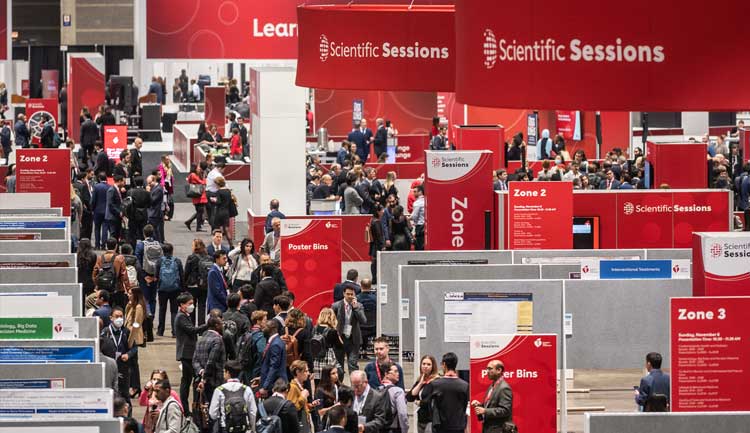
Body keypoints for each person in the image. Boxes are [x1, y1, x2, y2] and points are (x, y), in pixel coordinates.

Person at [174, 292, 208, 413]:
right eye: (190, 303)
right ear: (182, 305)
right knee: (189, 380)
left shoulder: (185, 315)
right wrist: (207, 325)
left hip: (188, 352)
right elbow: (192, 330)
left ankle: (190, 407)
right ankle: (188, 408)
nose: (192, 306)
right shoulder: (181, 317)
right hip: (186, 353)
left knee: (187, 380)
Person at [100, 307, 138, 405]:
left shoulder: (126, 332)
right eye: (117, 316)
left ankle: (127, 417)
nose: (119, 319)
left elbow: (134, 348)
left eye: (121, 316)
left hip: (123, 367)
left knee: (125, 394)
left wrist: (128, 355)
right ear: (111, 318)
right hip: (110, 367)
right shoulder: (105, 333)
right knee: (111, 392)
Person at [425, 352, 469, 433]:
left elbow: (426, 401)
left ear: (444, 364)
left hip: (440, 427)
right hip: (458, 427)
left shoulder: (435, 384)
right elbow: (465, 405)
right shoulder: (465, 385)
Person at [209, 360, 257, 433]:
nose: (223, 374)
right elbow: (253, 412)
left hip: (226, 428)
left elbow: (212, 414)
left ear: (228, 372)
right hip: (243, 428)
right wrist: (253, 429)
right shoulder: (247, 389)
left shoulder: (219, 390)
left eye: (224, 371)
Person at [332, 286, 367, 375]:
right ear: (344, 294)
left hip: (353, 339)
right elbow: (332, 322)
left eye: (352, 294)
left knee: (353, 364)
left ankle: (354, 386)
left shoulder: (359, 306)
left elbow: (363, 320)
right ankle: (340, 386)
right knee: (339, 365)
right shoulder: (336, 306)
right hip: (340, 338)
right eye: (348, 294)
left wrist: (355, 308)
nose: (350, 296)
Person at [471, 360, 513, 433]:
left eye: (490, 369)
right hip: (489, 429)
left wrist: (485, 411)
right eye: (487, 369)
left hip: (498, 430)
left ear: (499, 370)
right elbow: (490, 405)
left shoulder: (504, 388)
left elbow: (505, 410)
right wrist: (479, 405)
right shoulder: (492, 386)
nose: (487, 371)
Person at [193, 316, 226, 403]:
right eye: (221, 324)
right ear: (216, 325)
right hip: (215, 380)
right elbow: (211, 361)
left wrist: (201, 371)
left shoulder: (201, 339)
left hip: (202, 379)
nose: (223, 326)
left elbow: (195, 360)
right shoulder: (217, 340)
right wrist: (205, 376)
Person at [155, 243, 184, 337]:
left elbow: (156, 275)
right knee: (174, 310)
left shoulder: (159, 261)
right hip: (175, 289)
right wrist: (183, 289)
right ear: (172, 251)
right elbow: (181, 275)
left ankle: (160, 331)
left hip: (162, 289)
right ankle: (175, 331)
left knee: (162, 309)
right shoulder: (177, 261)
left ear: (163, 251)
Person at [93, 237, 130, 309]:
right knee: (118, 309)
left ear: (106, 246)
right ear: (116, 246)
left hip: (103, 289)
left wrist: (97, 285)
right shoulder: (119, 258)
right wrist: (128, 289)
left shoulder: (100, 258)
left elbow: (95, 273)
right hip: (117, 289)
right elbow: (124, 275)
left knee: (104, 310)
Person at [406, 355, 439, 433]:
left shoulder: (436, 381)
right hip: (421, 419)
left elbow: (429, 401)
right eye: (423, 364)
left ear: (433, 366)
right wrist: (420, 384)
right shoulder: (421, 379)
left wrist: (419, 402)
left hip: (431, 420)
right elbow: (409, 397)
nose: (425, 366)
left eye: (428, 364)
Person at [125, 286, 147, 396]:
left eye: (130, 293)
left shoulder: (138, 307)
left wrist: (130, 339)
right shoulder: (132, 305)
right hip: (130, 335)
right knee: (132, 364)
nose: (128, 295)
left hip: (133, 337)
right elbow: (127, 317)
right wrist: (129, 304)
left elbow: (136, 324)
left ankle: (135, 387)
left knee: (133, 365)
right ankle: (135, 386)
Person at [184, 239, 212, 325]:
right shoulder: (208, 258)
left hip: (193, 286)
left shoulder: (191, 257)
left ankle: (192, 326)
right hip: (204, 285)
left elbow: (186, 272)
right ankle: (201, 327)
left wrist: (184, 285)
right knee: (202, 306)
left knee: (192, 306)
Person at [288, 360, 320, 433]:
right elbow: (291, 409)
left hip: (304, 422)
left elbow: (301, 407)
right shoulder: (293, 387)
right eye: (305, 371)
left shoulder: (300, 386)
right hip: (299, 425)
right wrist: (303, 397)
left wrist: (311, 405)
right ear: (297, 372)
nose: (308, 373)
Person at [259, 319, 288, 398]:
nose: (263, 329)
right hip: (273, 382)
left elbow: (274, 367)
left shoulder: (275, 344)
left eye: (265, 327)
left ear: (272, 329)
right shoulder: (275, 341)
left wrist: (265, 386)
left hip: (275, 384)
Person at [378, 361, 409, 433]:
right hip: (394, 428)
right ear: (386, 374)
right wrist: (405, 430)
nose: (398, 374)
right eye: (395, 371)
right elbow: (402, 414)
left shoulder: (376, 390)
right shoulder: (398, 391)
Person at [212, 176, 235, 247]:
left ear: (218, 184)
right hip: (226, 212)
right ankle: (231, 244)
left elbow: (218, 202)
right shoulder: (228, 191)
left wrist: (214, 200)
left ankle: (217, 244)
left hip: (219, 212)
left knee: (217, 229)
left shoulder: (219, 192)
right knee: (226, 229)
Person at [357, 279, 377, 358]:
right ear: (370, 286)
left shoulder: (357, 298)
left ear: (361, 286)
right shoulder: (375, 298)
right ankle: (364, 349)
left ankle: (359, 350)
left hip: (360, 326)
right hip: (374, 326)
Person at [184, 163, 207, 232]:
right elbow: (202, 182)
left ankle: (192, 223)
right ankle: (196, 225)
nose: (199, 169)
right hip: (198, 195)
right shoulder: (193, 175)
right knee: (200, 211)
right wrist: (205, 179)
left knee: (199, 211)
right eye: (198, 168)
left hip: (196, 196)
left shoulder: (191, 175)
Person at [104, 175, 125, 242]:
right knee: (113, 234)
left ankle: (116, 249)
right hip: (112, 216)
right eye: (123, 181)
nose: (124, 183)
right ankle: (112, 249)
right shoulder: (111, 190)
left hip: (116, 216)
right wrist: (119, 212)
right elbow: (111, 204)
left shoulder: (117, 190)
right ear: (119, 181)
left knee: (117, 234)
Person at [91, 173, 110, 249]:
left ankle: (97, 245)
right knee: (105, 228)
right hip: (106, 211)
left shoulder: (96, 187)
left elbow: (93, 200)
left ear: (99, 178)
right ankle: (103, 245)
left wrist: (92, 209)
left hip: (97, 211)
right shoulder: (109, 187)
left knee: (97, 228)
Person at [147, 175, 165, 242]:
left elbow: (152, 201)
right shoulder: (154, 187)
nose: (148, 185)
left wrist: (148, 192)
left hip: (155, 213)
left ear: (154, 180)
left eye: (149, 183)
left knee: (157, 232)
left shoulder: (158, 189)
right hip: (153, 212)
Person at [410, 185, 425, 250]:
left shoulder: (417, 203)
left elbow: (414, 216)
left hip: (419, 227)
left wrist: (408, 218)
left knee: (419, 246)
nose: (413, 193)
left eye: (415, 191)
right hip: (425, 226)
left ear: (420, 192)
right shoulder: (426, 201)